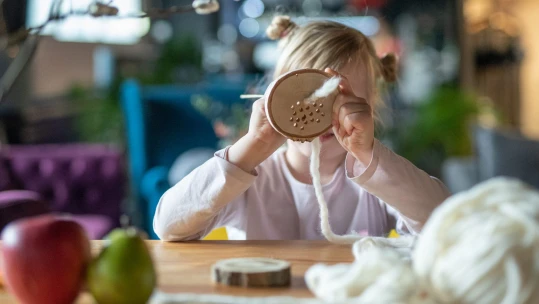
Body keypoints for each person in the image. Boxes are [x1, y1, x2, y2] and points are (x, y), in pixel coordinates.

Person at [153, 16, 450, 241]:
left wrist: (370, 155)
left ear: (369, 107)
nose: (322, 115)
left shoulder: (376, 182)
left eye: (339, 99)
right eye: (305, 99)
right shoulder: (249, 180)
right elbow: (167, 226)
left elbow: (447, 223)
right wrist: (251, 147)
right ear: (272, 96)